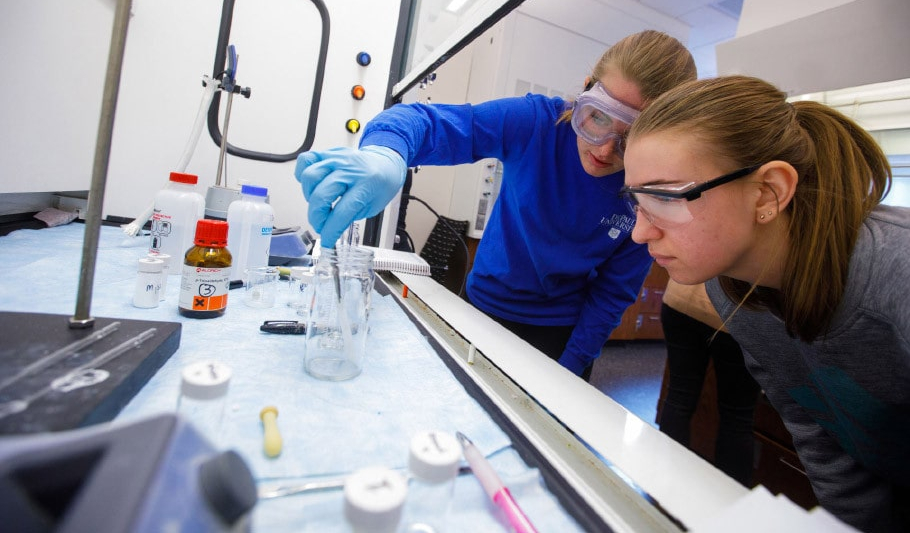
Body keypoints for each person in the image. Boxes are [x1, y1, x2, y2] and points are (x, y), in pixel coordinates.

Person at [295, 30, 696, 379]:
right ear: (585, 92)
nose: (606, 149)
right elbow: (425, 122)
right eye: (598, 118)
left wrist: (569, 369)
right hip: (481, 307)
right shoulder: (536, 123)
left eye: (633, 138)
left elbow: (612, 294)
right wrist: (386, 154)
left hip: (559, 333)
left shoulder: (646, 190)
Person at [621, 74, 910, 532]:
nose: (640, 233)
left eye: (665, 197)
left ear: (769, 191)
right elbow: (820, 434)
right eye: (637, 200)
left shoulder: (899, 275)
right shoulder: (734, 287)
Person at [658, 280, 760, 487]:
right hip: (741, 312)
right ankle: (730, 502)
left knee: (678, 398)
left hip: (683, 296)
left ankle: (663, 487)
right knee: (737, 419)